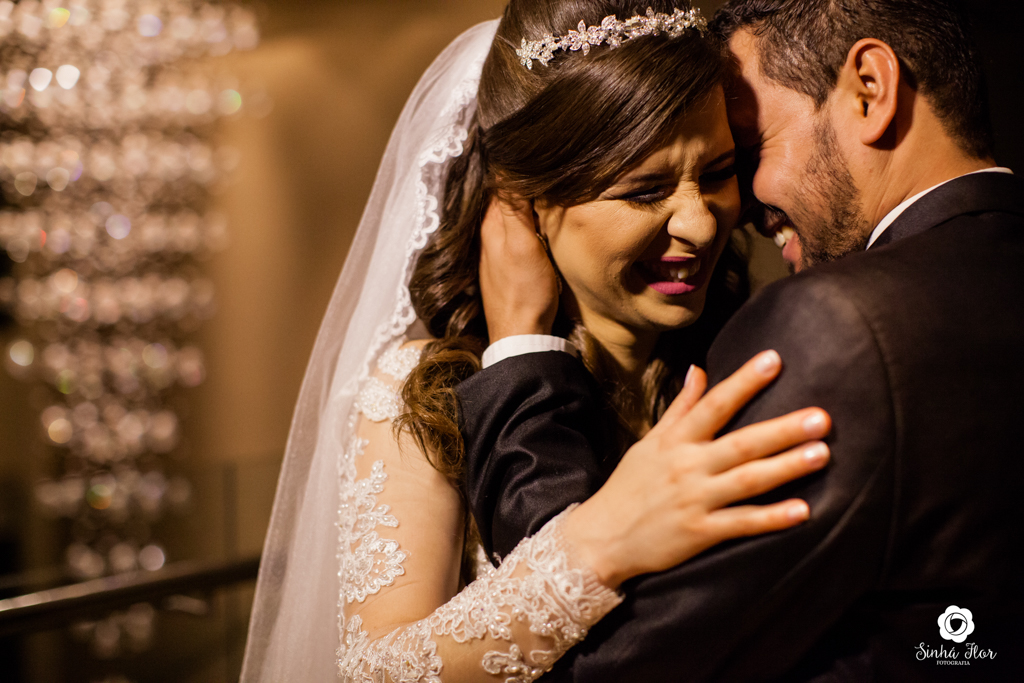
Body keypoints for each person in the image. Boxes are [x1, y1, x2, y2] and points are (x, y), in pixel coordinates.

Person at [239, 3, 835, 682]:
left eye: (719, 172)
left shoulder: (749, 357)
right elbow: (376, 671)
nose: (700, 225)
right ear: (522, 203)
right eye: (645, 190)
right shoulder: (422, 396)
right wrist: (602, 541)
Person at [457, 0, 1024, 680]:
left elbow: (602, 660)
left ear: (870, 89)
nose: (736, 216)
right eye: (645, 187)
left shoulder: (836, 327)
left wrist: (521, 353)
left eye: (743, 154)